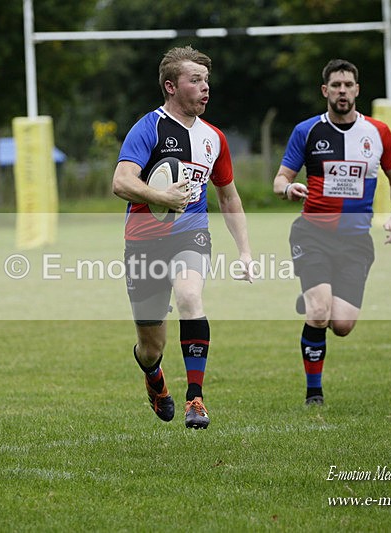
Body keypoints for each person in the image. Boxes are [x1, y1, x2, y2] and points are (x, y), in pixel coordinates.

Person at [112, 46, 253, 429]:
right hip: (142, 241)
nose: (205, 88)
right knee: (149, 345)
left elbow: (228, 195)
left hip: (191, 234)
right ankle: (154, 377)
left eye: (207, 81)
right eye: (196, 80)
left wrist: (244, 251)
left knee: (191, 296)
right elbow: (121, 182)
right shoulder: (148, 128)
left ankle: (196, 398)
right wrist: (160, 196)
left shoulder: (214, 139)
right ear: (171, 86)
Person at [272, 58, 391, 405]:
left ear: (357, 90)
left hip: (355, 241)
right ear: (325, 91)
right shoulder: (307, 131)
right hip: (312, 234)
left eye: (348, 85)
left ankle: (315, 297)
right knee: (319, 313)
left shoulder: (378, 133)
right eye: (336, 85)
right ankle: (313, 392)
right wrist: (288, 189)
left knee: (342, 325)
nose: (342, 91)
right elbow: (280, 179)